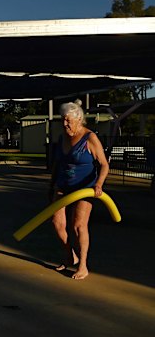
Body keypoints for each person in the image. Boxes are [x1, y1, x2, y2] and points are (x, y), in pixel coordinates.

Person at [49, 100, 109, 280]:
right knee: (57, 224)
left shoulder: (90, 138)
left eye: (68, 120)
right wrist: (51, 185)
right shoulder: (62, 138)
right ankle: (70, 255)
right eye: (62, 120)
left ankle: (82, 265)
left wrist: (99, 184)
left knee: (78, 226)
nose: (64, 123)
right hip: (63, 186)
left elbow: (104, 165)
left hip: (85, 187)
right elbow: (57, 164)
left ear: (79, 119)